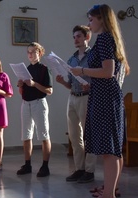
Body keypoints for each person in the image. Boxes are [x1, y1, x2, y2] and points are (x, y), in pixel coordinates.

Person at [70, 4, 130, 198]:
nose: (89, 24)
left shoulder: (104, 39)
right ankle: (108, 195)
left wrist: (83, 70)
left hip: (106, 100)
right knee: (111, 151)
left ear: (102, 19)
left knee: (109, 152)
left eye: (91, 20)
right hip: (107, 96)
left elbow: (108, 71)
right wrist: (91, 81)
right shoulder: (109, 39)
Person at [55, 25, 97, 183]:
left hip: (87, 97)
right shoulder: (71, 59)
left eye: (78, 36)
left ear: (87, 37)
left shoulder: (94, 56)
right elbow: (71, 84)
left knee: (89, 135)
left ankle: (90, 170)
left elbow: (101, 77)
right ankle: (79, 168)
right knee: (74, 135)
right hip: (72, 97)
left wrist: (91, 86)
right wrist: (62, 82)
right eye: (74, 37)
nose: (75, 39)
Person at [16, 42, 52, 177]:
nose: (30, 54)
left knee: (43, 134)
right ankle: (27, 164)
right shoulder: (26, 69)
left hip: (39, 103)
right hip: (26, 103)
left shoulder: (44, 69)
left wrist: (34, 84)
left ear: (40, 53)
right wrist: (20, 85)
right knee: (26, 135)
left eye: (33, 51)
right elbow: (22, 92)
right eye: (28, 52)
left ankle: (45, 166)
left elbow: (49, 90)